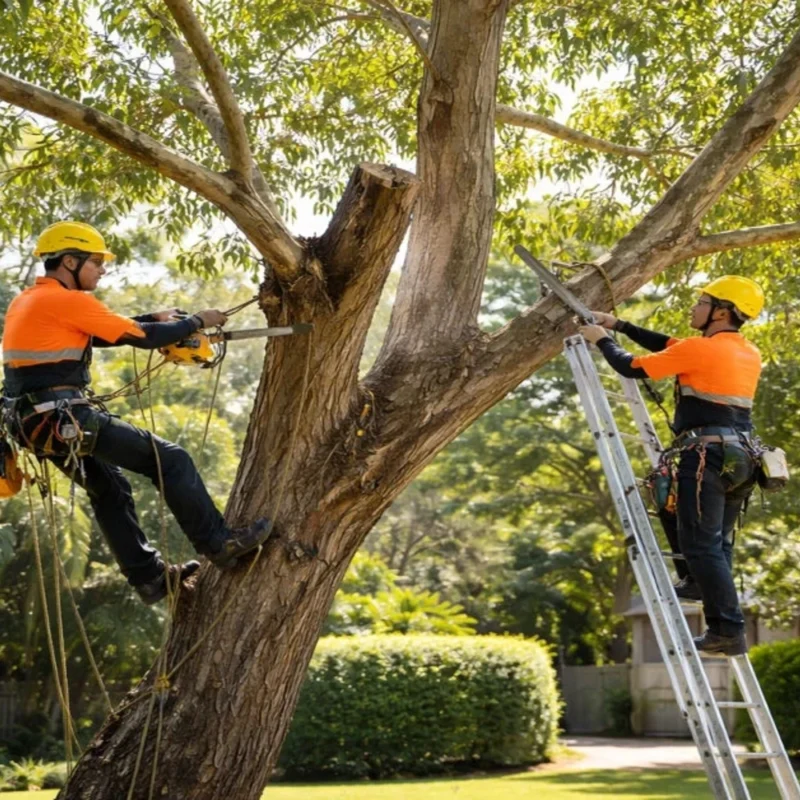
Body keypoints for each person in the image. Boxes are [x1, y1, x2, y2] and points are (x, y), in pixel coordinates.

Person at [1, 221, 272, 604]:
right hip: (63, 418)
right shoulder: (68, 301)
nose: (103, 269)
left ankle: (150, 580)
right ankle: (218, 542)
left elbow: (105, 333)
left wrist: (155, 318)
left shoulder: (28, 300)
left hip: (34, 425)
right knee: (170, 460)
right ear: (68, 261)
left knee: (109, 488)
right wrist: (195, 322)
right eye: (96, 261)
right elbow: (142, 339)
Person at [578, 276, 765, 656]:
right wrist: (621, 325)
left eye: (702, 301)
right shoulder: (746, 351)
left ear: (722, 312)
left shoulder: (701, 350)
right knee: (712, 542)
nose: (693, 307)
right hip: (743, 458)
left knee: (702, 546)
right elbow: (668, 344)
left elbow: (631, 367)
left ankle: (728, 630)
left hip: (707, 457)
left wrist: (601, 339)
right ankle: (696, 584)